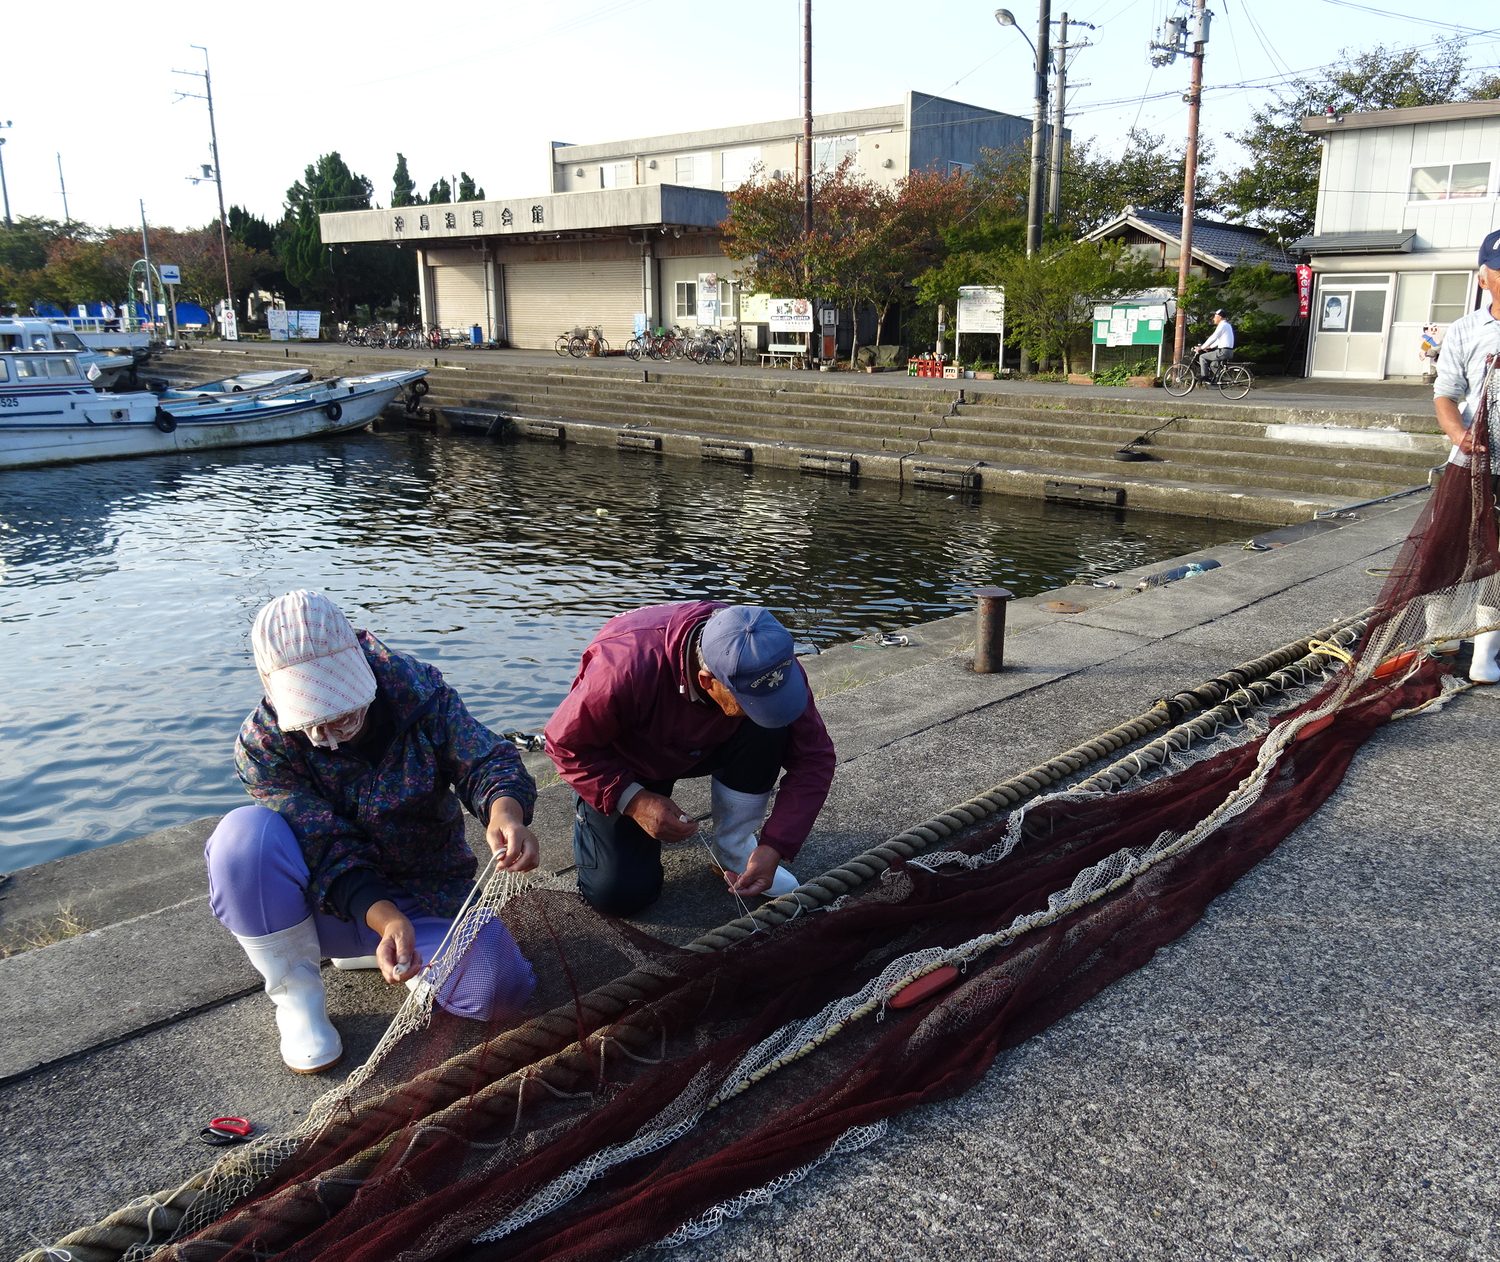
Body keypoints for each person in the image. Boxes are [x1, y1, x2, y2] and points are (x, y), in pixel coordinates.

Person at [206, 590, 541, 1073]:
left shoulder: (420, 695)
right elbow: (323, 844)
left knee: (504, 990)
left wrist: (504, 813)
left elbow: (485, 759)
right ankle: (296, 993)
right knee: (243, 841)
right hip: (320, 905)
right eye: (313, 717)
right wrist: (383, 918)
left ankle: (401, 953)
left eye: (341, 709)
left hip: (425, 891)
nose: (330, 730)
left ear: (358, 661)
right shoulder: (263, 744)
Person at [544, 602, 837, 916]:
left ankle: (734, 847)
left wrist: (775, 845)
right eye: (750, 701)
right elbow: (565, 745)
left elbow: (814, 758)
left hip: (714, 740)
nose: (769, 703)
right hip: (632, 759)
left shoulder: (766, 661)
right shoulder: (621, 669)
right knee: (619, 895)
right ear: (708, 680)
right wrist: (634, 801)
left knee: (772, 724)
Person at [1433, 228, 1500, 684]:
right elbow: (1446, 395)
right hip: (1470, 460)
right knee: (1446, 547)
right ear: (1483, 277)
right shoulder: (1466, 329)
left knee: (1498, 557)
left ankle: (1485, 655)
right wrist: (1458, 433)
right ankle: (1439, 639)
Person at [1195, 308, 1235, 380]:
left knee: (1202, 357)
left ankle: (1204, 376)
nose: (1213, 318)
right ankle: (1219, 380)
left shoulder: (1222, 325)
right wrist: (1209, 347)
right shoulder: (1227, 325)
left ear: (1219, 317)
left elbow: (1213, 337)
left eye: (1215, 316)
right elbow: (1218, 340)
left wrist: (1201, 347)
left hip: (1223, 351)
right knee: (1213, 365)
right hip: (1229, 351)